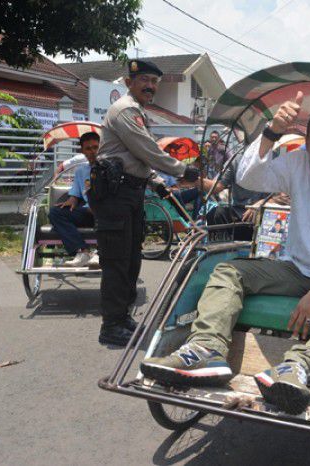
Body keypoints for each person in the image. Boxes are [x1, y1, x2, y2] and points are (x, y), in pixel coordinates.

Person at [140, 98, 310, 415]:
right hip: (297, 270)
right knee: (228, 271)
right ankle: (207, 348)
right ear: (307, 142)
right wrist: (272, 131)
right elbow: (248, 178)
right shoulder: (298, 163)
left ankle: (298, 367)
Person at [90, 59, 199, 346]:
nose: (150, 86)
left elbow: (137, 158)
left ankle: (122, 317)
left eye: (154, 82)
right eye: (145, 81)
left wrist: (157, 182)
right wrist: (181, 170)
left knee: (131, 259)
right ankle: (111, 326)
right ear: (129, 82)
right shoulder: (125, 109)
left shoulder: (137, 111)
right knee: (116, 262)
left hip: (131, 193)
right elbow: (146, 149)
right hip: (116, 196)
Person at [48, 132, 101, 267]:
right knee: (55, 212)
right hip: (88, 213)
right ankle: (82, 251)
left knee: (106, 210)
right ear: (82, 151)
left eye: (95, 147)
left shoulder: (110, 167)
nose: (93, 151)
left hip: (105, 213)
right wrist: (71, 201)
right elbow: (75, 195)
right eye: (88, 148)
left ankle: (101, 253)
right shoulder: (81, 170)